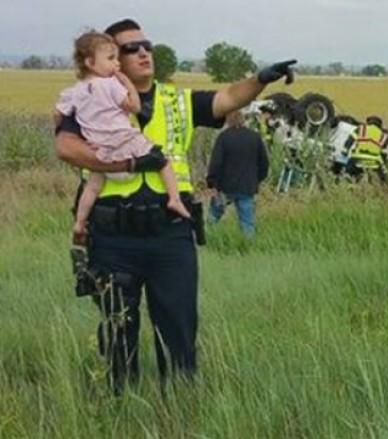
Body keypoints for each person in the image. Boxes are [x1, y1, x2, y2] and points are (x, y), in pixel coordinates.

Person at [54, 18, 296, 392]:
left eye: (146, 45)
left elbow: (229, 97)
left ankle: (179, 409)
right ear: (110, 59)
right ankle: (119, 407)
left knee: (179, 329)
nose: (143, 52)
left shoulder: (177, 100)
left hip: (171, 233)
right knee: (118, 330)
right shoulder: (90, 96)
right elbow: (66, 147)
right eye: (130, 48)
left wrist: (261, 78)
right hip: (114, 236)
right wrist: (129, 164)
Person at [55, 31, 190, 245]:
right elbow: (134, 106)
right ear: (90, 62)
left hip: (101, 152)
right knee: (162, 161)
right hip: (125, 143)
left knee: (92, 187)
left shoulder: (74, 92)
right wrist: (126, 83)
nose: (116, 64)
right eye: (111, 59)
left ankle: (80, 223)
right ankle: (174, 199)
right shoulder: (110, 85)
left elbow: (58, 115)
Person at [206, 110, 269, 237]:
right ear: (243, 119)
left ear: (228, 120)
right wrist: (257, 180)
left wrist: (212, 183)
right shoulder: (254, 137)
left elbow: (215, 163)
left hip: (225, 186)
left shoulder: (224, 137)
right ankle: (248, 248)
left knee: (213, 217)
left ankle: (205, 240)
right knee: (247, 222)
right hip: (247, 186)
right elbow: (264, 163)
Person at [334, 115, 388, 184]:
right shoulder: (383, 136)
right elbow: (384, 153)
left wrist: (344, 152)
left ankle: (339, 185)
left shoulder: (361, 129)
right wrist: (382, 164)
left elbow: (350, 140)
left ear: (368, 122)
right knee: (382, 178)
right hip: (373, 161)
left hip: (357, 158)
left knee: (346, 173)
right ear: (380, 125)